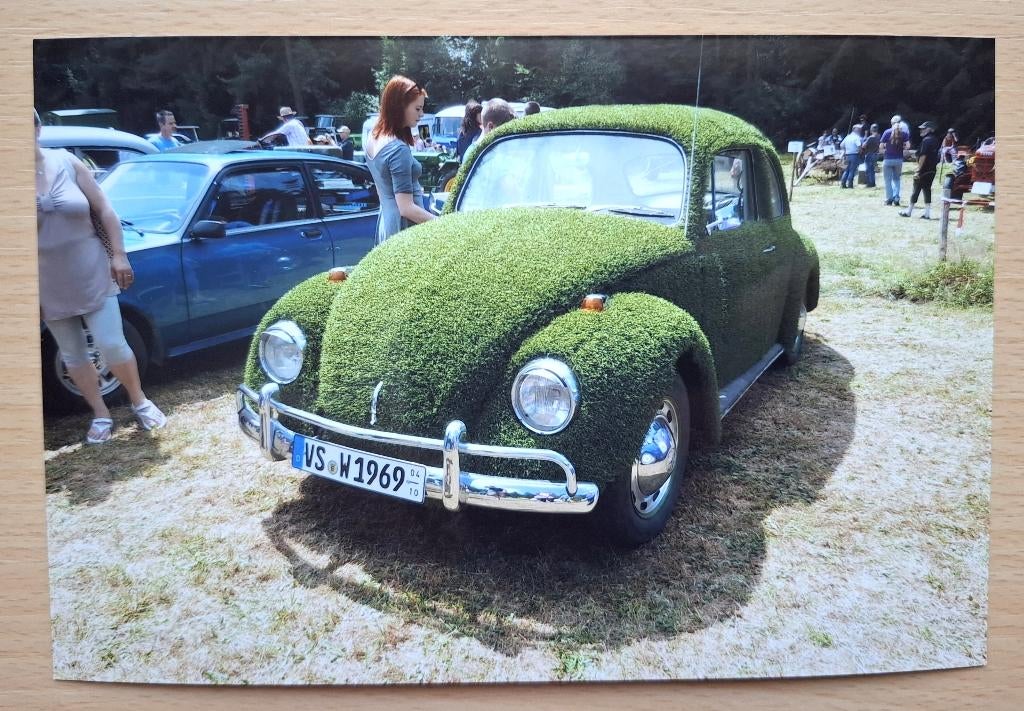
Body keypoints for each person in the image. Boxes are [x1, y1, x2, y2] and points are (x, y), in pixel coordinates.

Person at [34, 110, 166, 444]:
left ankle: (139, 400)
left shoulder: (66, 162)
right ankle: (100, 413)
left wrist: (118, 255)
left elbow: (105, 210)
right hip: (45, 281)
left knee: (111, 343)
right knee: (72, 354)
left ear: (37, 128)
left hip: (91, 268)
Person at [363, 75, 435, 244]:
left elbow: (382, 191)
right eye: (417, 109)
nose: (422, 114)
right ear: (400, 106)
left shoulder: (373, 137)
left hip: (387, 223)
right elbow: (406, 208)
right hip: (404, 231)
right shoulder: (397, 149)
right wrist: (444, 224)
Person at [900, 121, 941, 219]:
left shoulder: (926, 140)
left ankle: (909, 211)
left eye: (923, 129)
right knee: (927, 190)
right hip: (932, 169)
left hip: (923, 170)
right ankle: (927, 213)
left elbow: (923, 155)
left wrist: (918, 170)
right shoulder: (935, 140)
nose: (921, 130)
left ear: (930, 129)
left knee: (916, 190)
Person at [879, 114, 907, 206]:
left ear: (891, 123)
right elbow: (908, 146)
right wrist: (902, 147)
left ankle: (889, 199)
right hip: (899, 159)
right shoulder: (904, 133)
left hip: (888, 159)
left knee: (888, 180)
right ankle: (896, 198)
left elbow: (881, 146)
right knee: (896, 179)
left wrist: (885, 150)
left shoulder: (887, 132)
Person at [839, 124, 863, 188]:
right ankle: (850, 185)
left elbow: (841, 145)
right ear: (855, 130)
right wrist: (860, 153)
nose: (860, 131)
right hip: (854, 155)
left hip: (847, 155)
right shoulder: (856, 137)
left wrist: (845, 150)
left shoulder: (847, 137)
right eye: (859, 129)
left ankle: (843, 184)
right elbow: (859, 146)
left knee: (847, 170)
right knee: (852, 170)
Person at [860, 123, 881, 188]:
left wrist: (864, 140)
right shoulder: (879, 136)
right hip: (875, 154)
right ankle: (873, 183)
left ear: (871, 129)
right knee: (872, 170)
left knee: (868, 170)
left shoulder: (870, 137)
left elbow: (864, 146)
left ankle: (869, 183)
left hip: (869, 154)